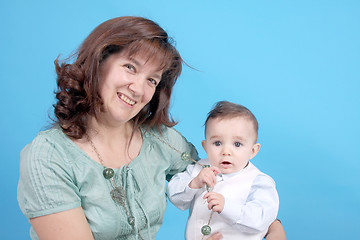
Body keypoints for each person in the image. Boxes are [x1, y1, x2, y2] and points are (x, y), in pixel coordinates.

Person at [17, 17, 285, 240]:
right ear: (98, 63)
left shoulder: (162, 141)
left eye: (152, 80)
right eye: (130, 67)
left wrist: (272, 226)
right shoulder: (48, 157)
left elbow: (230, 178)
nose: (137, 89)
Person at [167, 101, 280, 240]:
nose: (226, 151)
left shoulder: (259, 181)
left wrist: (227, 207)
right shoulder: (199, 169)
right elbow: (175, 196)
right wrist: (193, 184)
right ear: (206, 146)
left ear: (253, 150)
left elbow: (262, 219)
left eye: (237, 144)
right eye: (217, 143)